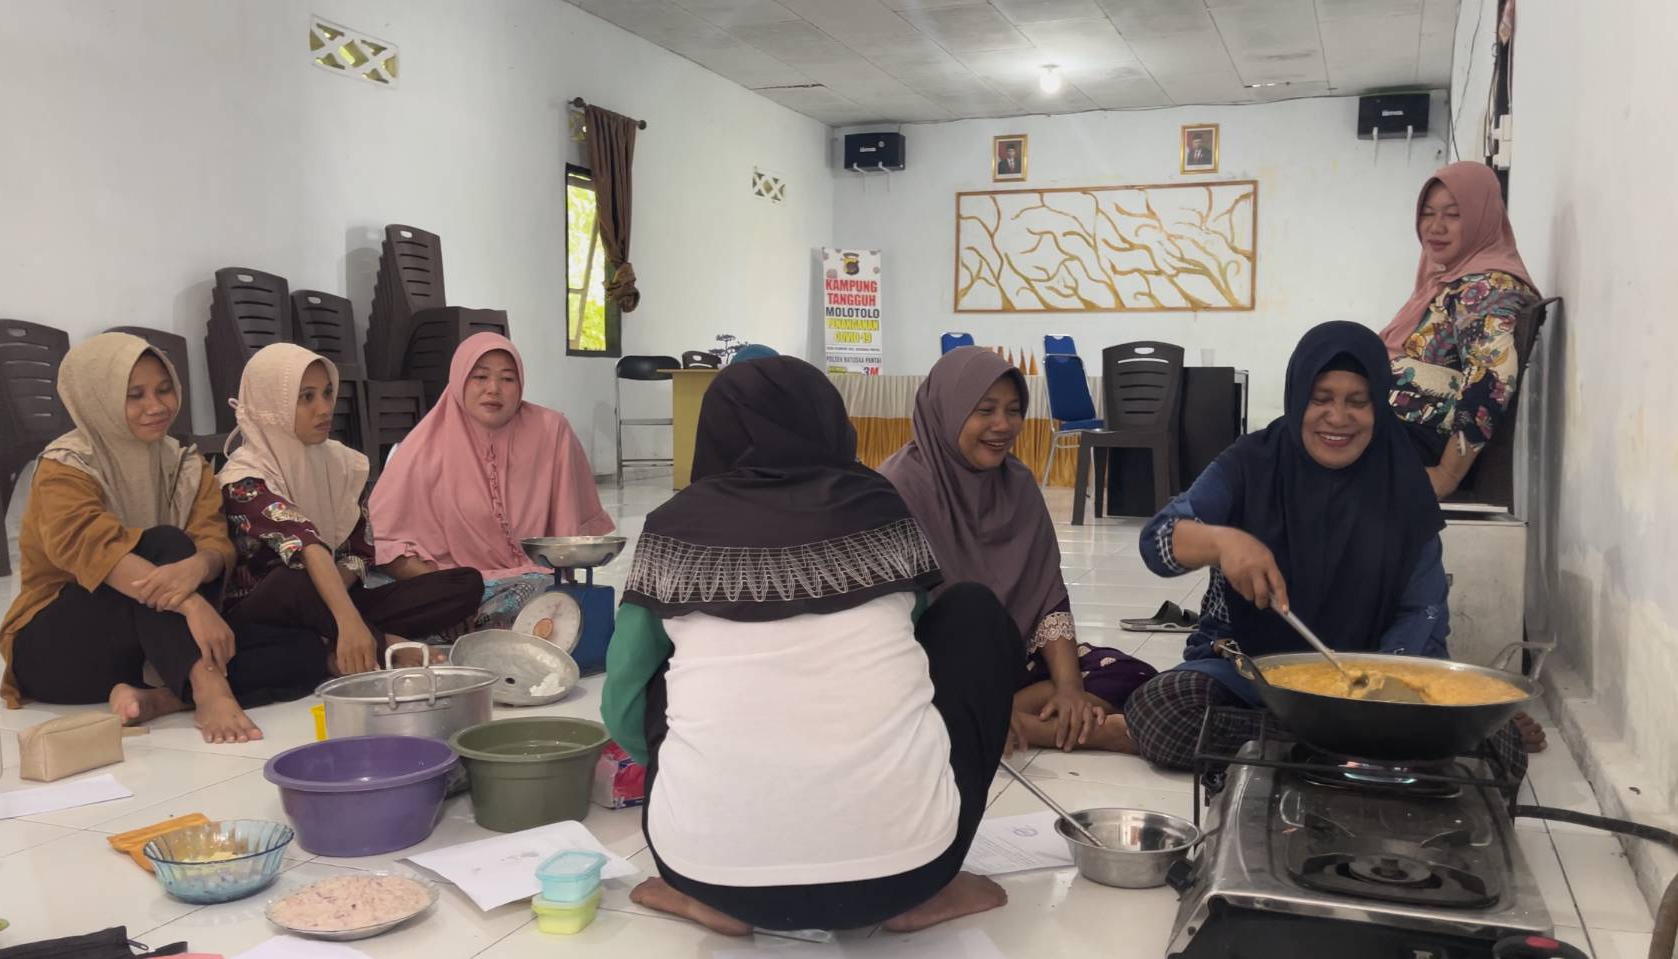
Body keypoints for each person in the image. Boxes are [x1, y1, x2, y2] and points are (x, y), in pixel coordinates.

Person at [600, 357, 1022, 936]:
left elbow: (621, 704)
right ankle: (929, 889)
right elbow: (917, 641)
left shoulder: (673, 528)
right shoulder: (880, 508)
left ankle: (713, 891)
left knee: (661, 662)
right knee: (973, 612)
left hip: (699, 869)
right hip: (911, 872)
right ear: (830, 423)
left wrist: (692, 775)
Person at [1120, 322, 1526, 782]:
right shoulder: (1251, 463)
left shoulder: (1402, 480)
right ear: (1298, 399)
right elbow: (1156, 543)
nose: (1338, 417)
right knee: (1161, 710)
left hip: (1376, 682)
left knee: (1504, 749)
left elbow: (1421, 611)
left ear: (1378, 405)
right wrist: (1221, 541)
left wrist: (1375, 694)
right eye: (1321, 399)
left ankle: (1287, 752)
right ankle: (1366, 758)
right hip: (1254, 677)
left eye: (1357, 401)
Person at [0, 333, 321, 743]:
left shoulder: (185, 464)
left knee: (306, 653)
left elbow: (214, 541)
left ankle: (159, 699)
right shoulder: (66, 466)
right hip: (59, 651)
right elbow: (96, 550)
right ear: (98, 398)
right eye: (135, 395)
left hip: (151, 645)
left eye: (164, 390)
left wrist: (200, 565)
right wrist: (190, 604)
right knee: (165, 543)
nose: (156, 406)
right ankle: (207, 686)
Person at [883, 347, 1155, 754]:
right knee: (908, 703)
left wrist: (1069, 688)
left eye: (1014, 411)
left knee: (1132, 677)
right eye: (985, 410)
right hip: (932, 665)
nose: (1003, 425)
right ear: (947, 411)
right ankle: (1069, 729)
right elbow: (893, 623)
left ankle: (998, 718)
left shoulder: (1018, 482)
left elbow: (1047, 596)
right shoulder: (899, 487)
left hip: (1014, 660)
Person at [218, 343, 482, 675]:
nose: (325, 408)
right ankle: (379, 643)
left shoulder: (340, 463)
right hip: (267, 618)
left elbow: (359, 550)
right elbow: (306, 544)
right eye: (307, 397)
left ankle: (340, 639)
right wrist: (347, 619)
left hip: (330, 604)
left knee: (465, 584)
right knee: (294, 579)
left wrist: (335, 602)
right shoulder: (244, 479)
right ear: (272, 404)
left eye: (328, 393)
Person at [369, 333, 612, 630]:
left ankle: (478, 627)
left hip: (531, 581)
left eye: (507, 379)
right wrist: (445, 593)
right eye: (480, 377)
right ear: (459, 380)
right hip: (451, 585)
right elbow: (383, 545)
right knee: (380, 594)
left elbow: (570, 533)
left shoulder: (550, 431)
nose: (493, 389)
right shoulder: (423, 447)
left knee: (547, 595)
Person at [1382, 160, 1539, 502]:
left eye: (1453, 215)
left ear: (1483, 218)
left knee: (1284, 455)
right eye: (1427, 213)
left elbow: (1492, 378)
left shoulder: (1485, 287)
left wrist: (1447, 474)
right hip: (1398, 433)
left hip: (1424, 444)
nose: (1435, 226)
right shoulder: (1444, 281)